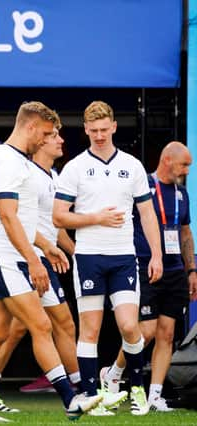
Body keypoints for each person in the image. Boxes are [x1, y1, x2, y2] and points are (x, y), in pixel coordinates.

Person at [0, 102, 102, 422]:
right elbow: (8, 217)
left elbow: (23, 221)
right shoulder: (8, 162)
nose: (46, 139)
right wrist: (34, 261)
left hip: (8, 257)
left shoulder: (18, 161)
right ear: (29, 127)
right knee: (39, 325)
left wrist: (47, 246)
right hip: (5, 259)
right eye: (44, 133)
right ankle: (71, 400)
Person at [52, 100, 163, 416]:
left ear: (114, 127)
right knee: (90, 329)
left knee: (130, 326)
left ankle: (137, 390)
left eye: (104, 129)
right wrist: (95, 218)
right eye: (94, 130)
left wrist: (156, 254)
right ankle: (91, 397)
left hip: (124, 258)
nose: (99, 136)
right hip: (89, 257)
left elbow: (147, 213)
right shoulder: (74, 167)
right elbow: (59, 217)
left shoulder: (132, 165)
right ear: (85, 130)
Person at [0, 122, 84, 413]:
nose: (60, 140)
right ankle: (76, 391)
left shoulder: (53, 175)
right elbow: (14, 219)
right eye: (52, 135)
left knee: (49, 325)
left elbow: (52, 225)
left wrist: (68, 251)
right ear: (39, 140)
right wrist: (36, 255)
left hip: (38, 257)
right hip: (25, 258)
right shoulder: (22, 170)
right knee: (21, 328)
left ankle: (80, 389)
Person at [100, 141, 197, 411]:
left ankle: (154, 395)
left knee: (167, 334)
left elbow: (185, 233)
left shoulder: (181, 194)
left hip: (176, 270)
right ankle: (113, 373)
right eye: (184, 164)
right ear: (167, 160)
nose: (187, 170)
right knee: (146, 330)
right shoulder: (142, 187)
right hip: (145, 265)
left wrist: (191, 269)